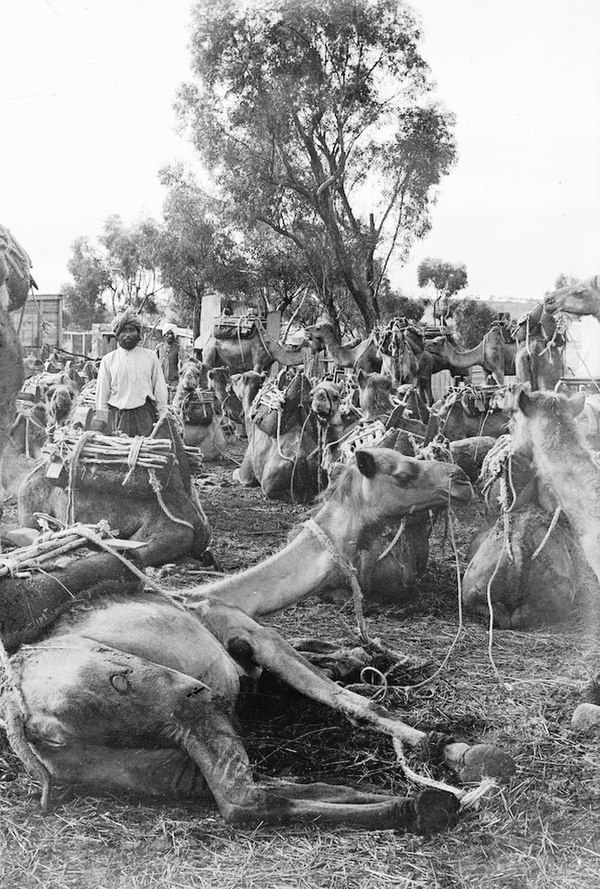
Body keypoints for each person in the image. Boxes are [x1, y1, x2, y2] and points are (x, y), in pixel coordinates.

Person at [94, 306, 169, 437]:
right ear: (117, 334)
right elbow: (102, 396)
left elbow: (160, 389)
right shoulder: (108, 360)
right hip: (118, 418)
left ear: (138, 333)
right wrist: (102, 425)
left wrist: (163, 414)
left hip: (145, 416)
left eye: (131, 330)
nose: (128, 335)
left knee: (146, 453)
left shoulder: (150, 357)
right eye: (123, 331)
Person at [156, 323, 181, 392]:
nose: (169, 336)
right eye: (167, 333)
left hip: (174, 381)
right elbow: (153, 363)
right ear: (164, 335)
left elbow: (182, 364)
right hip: (160, 380)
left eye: (172, 334)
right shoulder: (159, 348)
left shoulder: (178, 348)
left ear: (174, 335)